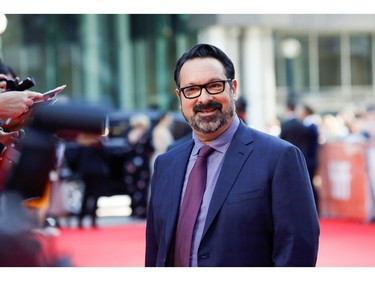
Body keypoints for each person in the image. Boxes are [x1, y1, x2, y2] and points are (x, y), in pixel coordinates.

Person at [145, 43, 320, 267]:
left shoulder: (280, 158)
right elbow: (155, 250)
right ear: (180, 96)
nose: (204, 98)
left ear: (233, 88)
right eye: (191, 90)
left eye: (214, 86)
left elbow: (297, 252)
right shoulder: (166, 164)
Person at [297, 104, 320, 214]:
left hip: (310, 159)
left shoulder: (311, 125)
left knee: (310, 184)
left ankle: (315, 209)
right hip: (310, 158)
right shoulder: (308, 124)